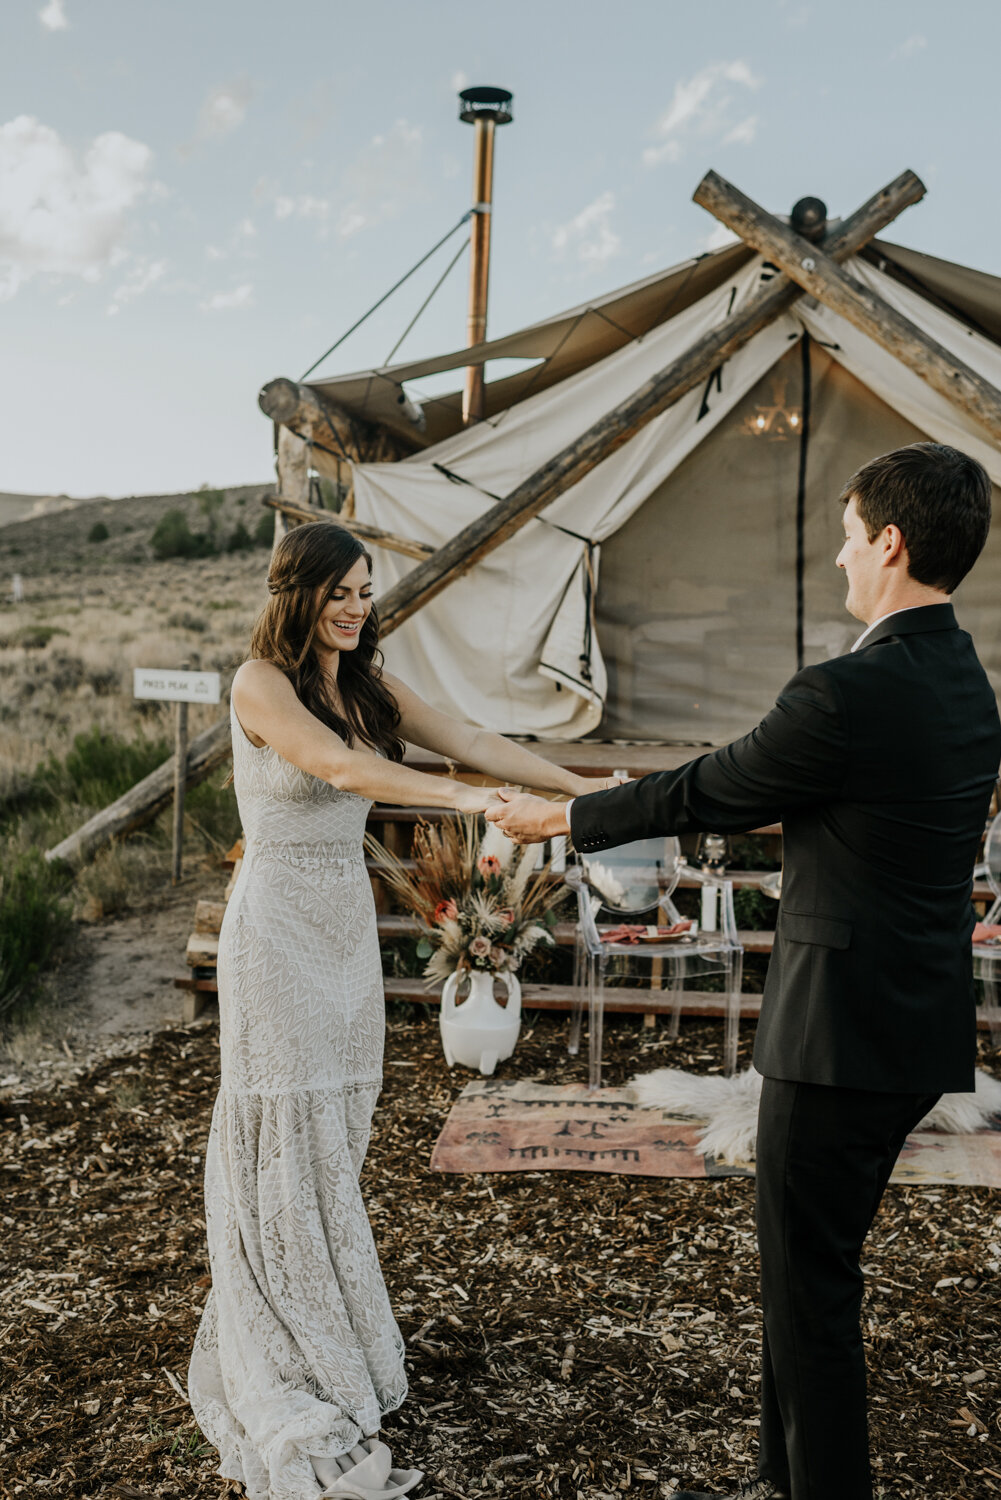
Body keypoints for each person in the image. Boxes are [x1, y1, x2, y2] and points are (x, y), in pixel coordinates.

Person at [486, 442, 1001, 1500]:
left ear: (890, 544)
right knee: (809, 1281)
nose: (839, 562)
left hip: (834, 1044)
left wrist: (563, 814)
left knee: (806, 1296)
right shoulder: (965, 685)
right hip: (916, 1033)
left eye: (851, 539)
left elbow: (712, 786)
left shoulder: (843, 694)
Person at [187, 520, 616, 1500]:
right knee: (286, 1116)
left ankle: (337, 1324)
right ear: (294, 593)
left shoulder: (368, 687)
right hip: (276, 931)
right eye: (338, 591)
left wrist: (584, 792)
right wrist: (469, 803)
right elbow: (346, 772)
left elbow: (466, 737)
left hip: (341, 927)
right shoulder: (262, 683)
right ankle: (292, 1341)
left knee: (338, 1120)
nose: (354, 606)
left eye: (365, 592)